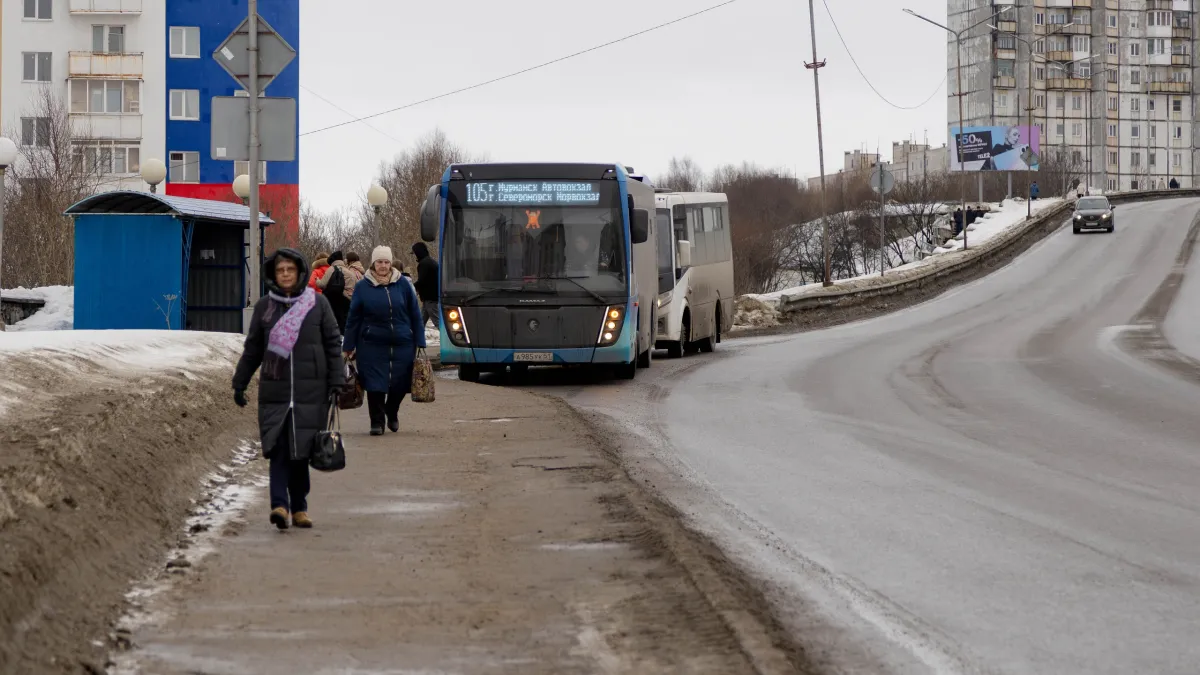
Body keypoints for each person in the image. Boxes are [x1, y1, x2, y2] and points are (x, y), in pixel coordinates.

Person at [232, 248, 343, 530]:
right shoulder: (264, 308)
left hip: (311, 392)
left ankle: (300, 509)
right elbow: (253, 349)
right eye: (280, 270)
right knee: (279, 449)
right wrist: (240, 382)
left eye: (290, 270)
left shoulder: (318, 305)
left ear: (299, 272)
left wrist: (336, 381)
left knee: (302, 453)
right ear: (273, 274)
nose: (285, 275)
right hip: (276, 391)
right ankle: (279, 505)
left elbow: (332, 344)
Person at [342, 246, 426, 436]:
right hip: (372, 343)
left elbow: (414, 313)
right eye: (379, 262)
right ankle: (377, 422)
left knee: (400, 382)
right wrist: (348, 345)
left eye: (386, 262)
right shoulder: (363, 286)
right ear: (373, 263)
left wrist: (420, 339)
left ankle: (392, 410)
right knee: (374, 383)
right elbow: (353, 318)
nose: (383, 266)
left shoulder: (403, 284)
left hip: (402, 342)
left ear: (390, 263)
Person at [318, 250, 350, 332]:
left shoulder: (331, 269)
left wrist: (317, 280)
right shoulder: (349, 272)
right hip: (348, 301)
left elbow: (322, 284)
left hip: (334, 300)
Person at [411, 242, 440, 329]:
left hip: (430, 299)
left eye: (415, 254)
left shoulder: (424, 264)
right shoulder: (430, 262)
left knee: (438, 323)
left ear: (418, 252)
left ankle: (448, 338)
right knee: (420, 323)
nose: (415, 256)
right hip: (429, 299)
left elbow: (422, 281)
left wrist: (411, 288)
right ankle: (416, 340)